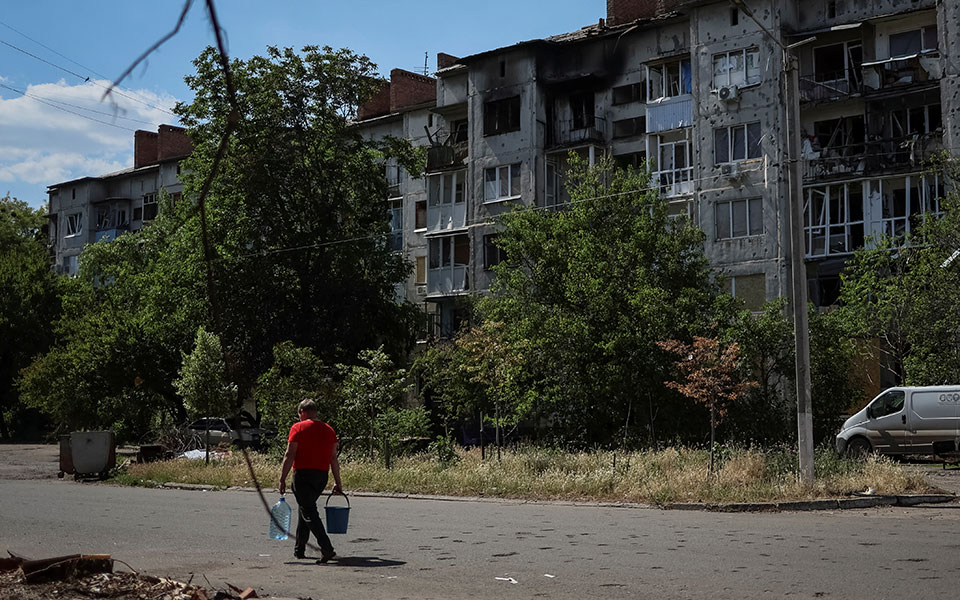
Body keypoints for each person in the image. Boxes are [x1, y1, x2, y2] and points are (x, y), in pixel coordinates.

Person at [279, 398, 343, 563]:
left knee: (308, 511)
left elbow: (290, 454)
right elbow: (333, 458)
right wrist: (338, 482)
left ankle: (326, 548)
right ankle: (299, 549)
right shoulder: (329, 430)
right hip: (321, 476)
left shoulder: (298, 427)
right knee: (305, 508)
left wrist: (282, 478)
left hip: (303, 475)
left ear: (302, 412)